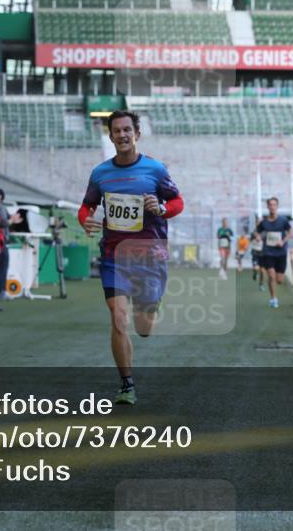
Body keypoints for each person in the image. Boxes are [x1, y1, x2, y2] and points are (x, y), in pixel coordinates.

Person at [79, 110, 184, 406]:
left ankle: (152, 306)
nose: (122, 135)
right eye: (117, 131)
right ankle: (127, 384)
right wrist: (84, 220)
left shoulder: (156, 169)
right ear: (110, 136)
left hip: (150, 257)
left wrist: (161, 208)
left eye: (127, 130)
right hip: (114, 256)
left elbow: (177, 202)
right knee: (118, 317)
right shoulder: (100, 173)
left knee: (144, 328)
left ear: (137, 134)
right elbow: (85, 207)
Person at [256, 197, 293, 309]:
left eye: (274, 205)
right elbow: (257, 232)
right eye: (270, 205)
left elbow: (290, 232)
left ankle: (276, 287)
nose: (272, 207)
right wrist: (258, 237)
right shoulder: (264, 222)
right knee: (271, 276)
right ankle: (273, 298)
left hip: (281, 253)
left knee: (279, 280)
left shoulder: (283, 220)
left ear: (277, 206)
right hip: (268, 252)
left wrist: (283, 241)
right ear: (267, 207)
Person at [0, 189, 24, 300]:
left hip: (2, 242)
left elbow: (7, 219)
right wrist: (11, 220)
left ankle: (0, 291)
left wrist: (13, 219)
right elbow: (3, 223)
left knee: (1, 268)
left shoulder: (0, 208)